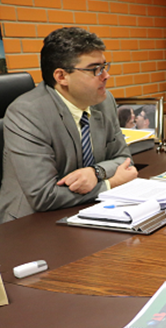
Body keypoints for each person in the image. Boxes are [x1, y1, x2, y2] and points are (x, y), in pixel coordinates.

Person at [0, 27, 137, 223]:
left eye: (105, 66)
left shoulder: (104, 102)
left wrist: (95, 172)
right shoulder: (27, 113)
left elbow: (125, 160)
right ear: (61, 77)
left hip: (88, 210)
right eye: (95, 69)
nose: (105, 75)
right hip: (29, 224)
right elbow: (43, 196)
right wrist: (110, 183)